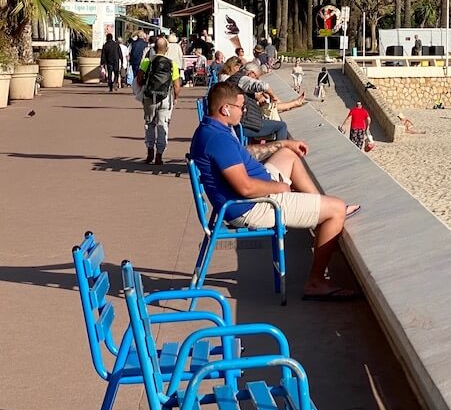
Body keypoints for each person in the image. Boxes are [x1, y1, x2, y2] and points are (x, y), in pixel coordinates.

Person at [192, 81, 361, 299]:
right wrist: (279, 188)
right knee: (337, 209)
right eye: (241, 107)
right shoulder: (218, 139)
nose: (244, 112)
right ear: (225, 109)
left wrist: (282, 145)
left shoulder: (214, 129)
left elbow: (245, 154)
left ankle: (318, 210)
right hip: (251, 207)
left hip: (256, 193)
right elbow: (245, 187)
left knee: (289, 155)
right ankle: (316, 282)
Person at [135, 36, 181, 165]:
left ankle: (150, 151)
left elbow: (139, 78)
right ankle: (160, 155)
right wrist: (176, 97)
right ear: (166, 50)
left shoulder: (147, 62)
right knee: (163, 125)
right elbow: (177, 86)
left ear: (154, 49)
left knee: (149, 123)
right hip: (166, 97)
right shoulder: (172, 64)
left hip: (149, 97)